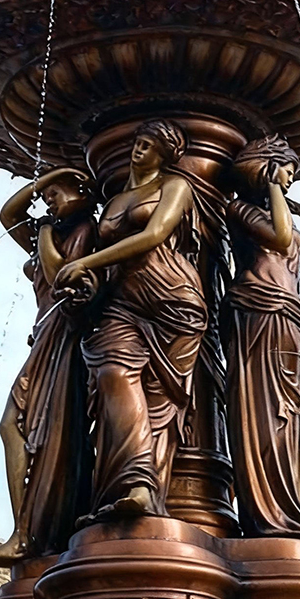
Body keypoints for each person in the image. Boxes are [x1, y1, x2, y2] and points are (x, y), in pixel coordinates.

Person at [55, 119, 207, 520]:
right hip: (122, 300)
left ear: (165, 155)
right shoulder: (115, 201)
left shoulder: (176, 186)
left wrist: (87, 262)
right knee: (112, 373)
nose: (139, 149)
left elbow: (155, 234)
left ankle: (145, 493)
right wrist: (86, 282)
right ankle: (132, 481)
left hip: (172, 298)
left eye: (150, 145)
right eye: (139, 141)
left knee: (159, 401)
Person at [0, 168, 97, 567]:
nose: (50, 203)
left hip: (65, 339)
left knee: (44, 432)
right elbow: (8, 216)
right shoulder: (55, 231)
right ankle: (24, 531)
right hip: (45, 337)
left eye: (57, 196)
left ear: (82, 195)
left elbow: (57, 273)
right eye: (46, 199)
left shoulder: (85, 232)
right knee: (12, 425)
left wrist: (44, 228)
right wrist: (50, 178)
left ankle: (29, 533)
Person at [224, 134, 300, 538]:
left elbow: (291, 266)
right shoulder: (238, 209)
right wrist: (274, 191)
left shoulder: (269, 211)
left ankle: (288, 519)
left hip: (288, 320)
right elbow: (282, 239)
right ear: (267, 167)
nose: (290, 178)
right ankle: (269, 522)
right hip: (260, 314)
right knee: (270, 417)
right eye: (286, 170)